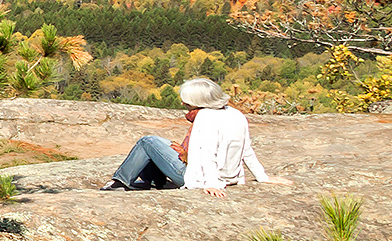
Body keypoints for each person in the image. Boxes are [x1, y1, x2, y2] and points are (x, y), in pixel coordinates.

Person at [102, 77, 293, 195]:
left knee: (148, 141)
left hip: (197, 177)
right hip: (229, 176)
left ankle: (120, 182)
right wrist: (262, 177)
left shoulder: (205, 116)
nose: (185, 107)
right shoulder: (236, 114)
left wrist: (211, 184)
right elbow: (246, 150)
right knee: (161, 145)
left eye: (187, 104)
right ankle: (154, 181)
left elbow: (207, 152)